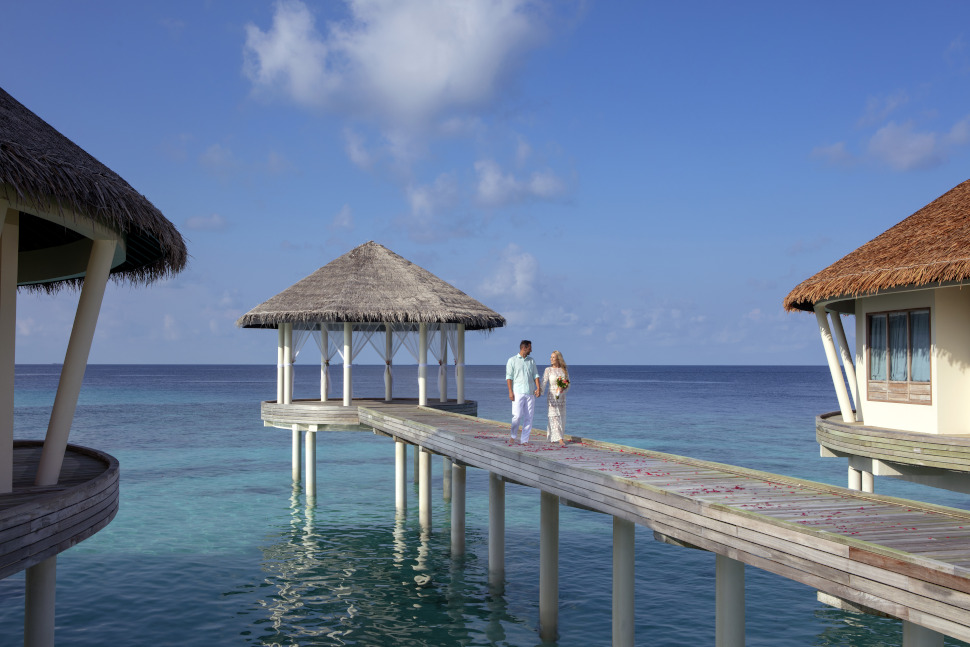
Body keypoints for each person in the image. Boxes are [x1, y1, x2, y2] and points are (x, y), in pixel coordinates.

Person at [506, 340, 540, 445]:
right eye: (530, 348)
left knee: (529, 417)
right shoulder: (512, 360)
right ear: (524, 348)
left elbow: (535, 375)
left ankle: (524, 439)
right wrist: (510, 391)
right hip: (518, 392)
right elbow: (509, 377)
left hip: (530, 392)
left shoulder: (531, 361)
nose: (531, 350)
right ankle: (513, 435)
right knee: (517, 416)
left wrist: (538, 388)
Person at [541, 350, 569, 447]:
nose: (551, 359)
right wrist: (539, 391)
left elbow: (567, 383)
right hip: (552, 396)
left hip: (561, 396)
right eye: (551, 357)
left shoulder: (563, 370)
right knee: (554, 416)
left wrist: (562, 388)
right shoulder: (548, 370)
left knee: (561, 416)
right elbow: (544, 382)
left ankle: (551, 436)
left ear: (558, 359)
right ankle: (560, 439)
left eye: (553, 357)